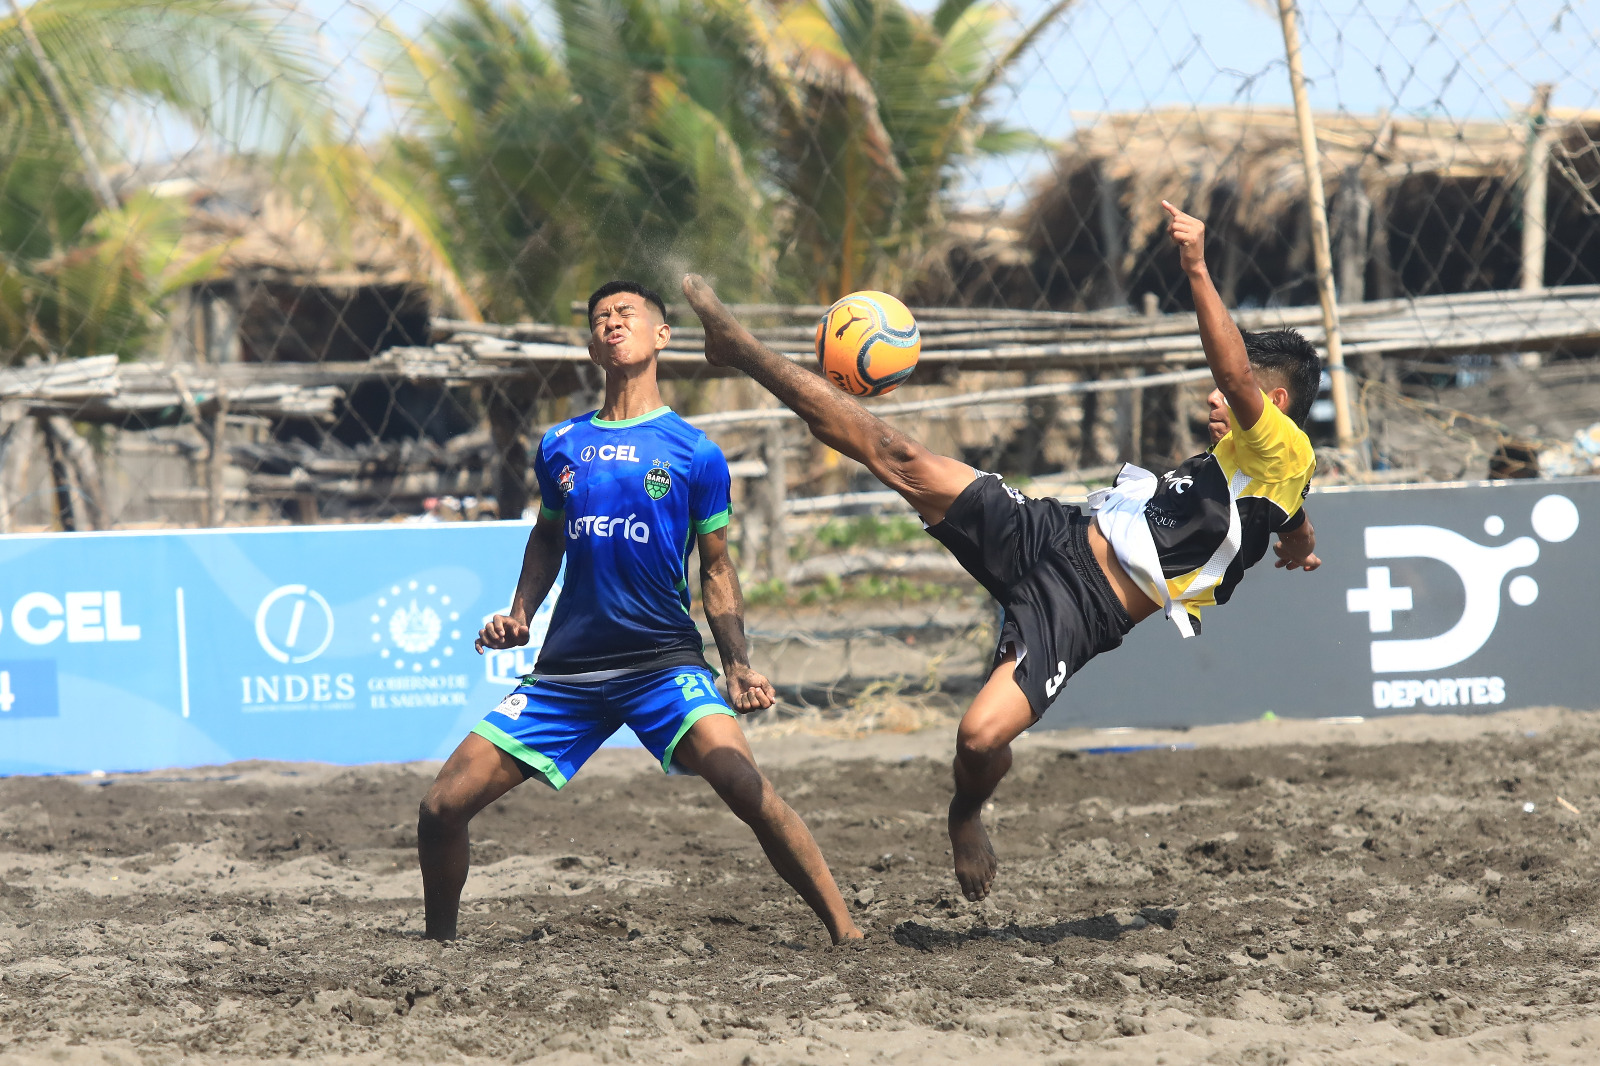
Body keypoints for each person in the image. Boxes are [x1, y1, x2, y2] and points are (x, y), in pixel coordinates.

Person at [679, 201, 1322, 903]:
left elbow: (1239, 386)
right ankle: (740, 348)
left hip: (1082, 609)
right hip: (1053, 531)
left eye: (1234, 389)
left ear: (1275, 400)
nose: (1215, 396)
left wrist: (1195, 265)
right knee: (896, 455)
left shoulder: (1284, 447)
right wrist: (1299, 540)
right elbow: (1288, 511)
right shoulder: (1262, 469)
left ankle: (966, 814)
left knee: (980, 739)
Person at [417, 281, 862, 944]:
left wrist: (738, 665)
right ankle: (439, 950)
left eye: (626, 313)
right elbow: (547, 536)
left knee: (745, 787)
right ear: (592, 348)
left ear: (662, 335)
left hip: (662, 665)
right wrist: (519, 614)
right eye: (600, 317)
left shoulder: (694, 452)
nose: (612, 322)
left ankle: (847, 935)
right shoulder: (560, 444)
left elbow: (716, 567)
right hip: (567, 673)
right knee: (440, 808)